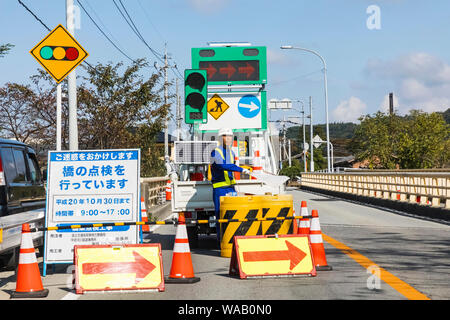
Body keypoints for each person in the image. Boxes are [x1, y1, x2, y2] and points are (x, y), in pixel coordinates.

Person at [210, 128, 250, 244]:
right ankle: (222, 241)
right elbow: (222, 165)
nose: (228, 138)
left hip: (231, 188)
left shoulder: (231, 152)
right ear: (220, 138)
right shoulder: (215, 152)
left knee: (233, 215)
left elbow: (231, 168)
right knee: (221, 215)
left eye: (230, 136)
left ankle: (233, 240)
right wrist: (241, 169)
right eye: (225, 136)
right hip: (220, 189)